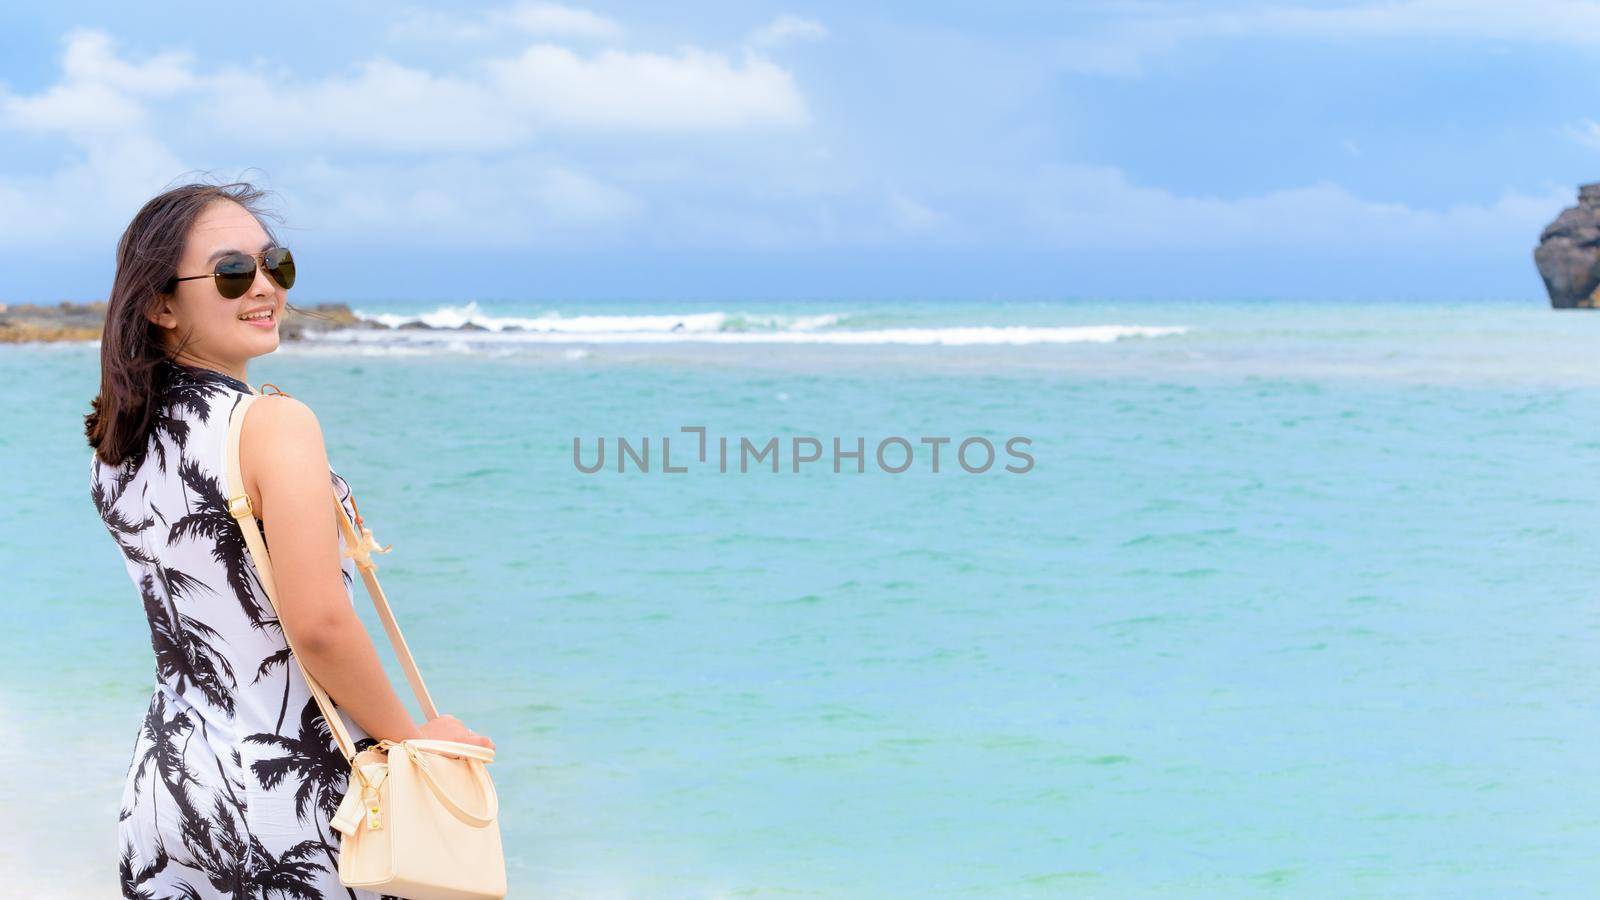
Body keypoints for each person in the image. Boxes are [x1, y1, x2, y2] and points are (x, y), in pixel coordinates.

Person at [84, 180, 493, 898]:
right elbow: (320, 627)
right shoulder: (276, 425)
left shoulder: (118, 441)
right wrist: (413, 740)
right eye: (232, 272)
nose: (264, 286)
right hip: (291, 795)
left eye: (275, 264)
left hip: (168, 785)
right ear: (160, 303)